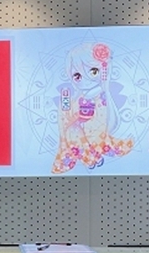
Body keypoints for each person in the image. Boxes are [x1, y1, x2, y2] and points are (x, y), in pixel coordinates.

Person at [52, 42, 133, 174]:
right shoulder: (78, 97)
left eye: (93, 71)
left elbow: (109, 122)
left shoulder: (101, 94)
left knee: (74, 130)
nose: (85, 80)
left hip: (96, 133)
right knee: (72, 129)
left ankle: (91, 156)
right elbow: (69, 116)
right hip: (81, 131)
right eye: (77, 76)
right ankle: (90, 157)